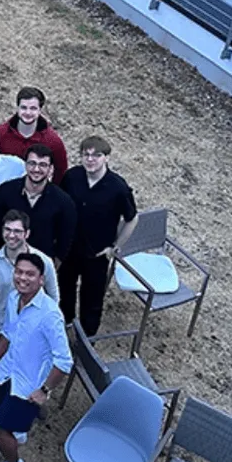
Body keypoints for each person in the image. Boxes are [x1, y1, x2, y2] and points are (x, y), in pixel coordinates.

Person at [0, 253, 72, 462]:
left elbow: (64, 361)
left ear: (41, 279)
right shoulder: (13, 298)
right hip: (7, 370)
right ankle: (16, 431)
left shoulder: (50, 315)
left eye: (30, 274)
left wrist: (45, 390)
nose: (23, 278)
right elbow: (9, 333)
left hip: (29, 385)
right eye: (19, 272)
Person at [59, 136, 138, 336]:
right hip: (69, 251)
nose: (90, 159)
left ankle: (87, 339)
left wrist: (115, 247)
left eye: (97, 155)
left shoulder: (118, 187)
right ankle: (64, 324)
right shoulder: (72, 177)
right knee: (64, 291)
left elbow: (132, 219)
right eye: (86, 155)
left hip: (97, 255)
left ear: (107, 158)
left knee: (92, 300)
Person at [0, 210, 59, 370]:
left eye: (17, 231)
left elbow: (53, 297)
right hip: (1, 329)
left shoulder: (45, 261)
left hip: (32, 330)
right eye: (7, 230)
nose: (11, 235)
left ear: (27, 233)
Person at [0, 144, 76, 268]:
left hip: (41, 266)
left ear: (51, 169)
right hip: (6, 262)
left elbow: (65, 238)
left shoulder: (64, 201)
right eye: (32, 163)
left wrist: (53, 264)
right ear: (25, 165)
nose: (36, 169)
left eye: (43, 165)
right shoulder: (5, 191)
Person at [0, 87, 68, 184]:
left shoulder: (53, 141)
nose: (28, 113)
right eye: (23, 107)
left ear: (40, 110)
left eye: (33, 108)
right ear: (17, 108)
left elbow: (61, 171)